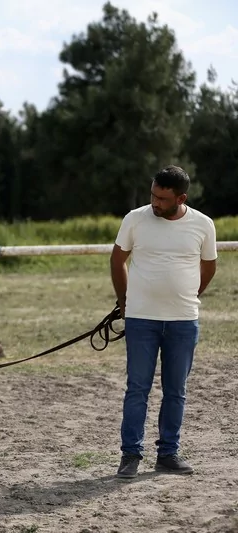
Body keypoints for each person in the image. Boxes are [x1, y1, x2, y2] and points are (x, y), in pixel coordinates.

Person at [109, 165, 218, 479]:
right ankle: (130, 455)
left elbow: (209, 266)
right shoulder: (135, 219)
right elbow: (117, 259)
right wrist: (124, 301)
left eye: (162, 198)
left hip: (183, 321)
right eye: (153, 195)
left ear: (180, 198)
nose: (154, 202)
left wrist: (188, 295)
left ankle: (168, 454)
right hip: (141, 319)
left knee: (176, 391)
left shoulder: (203, 224)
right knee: (137, 389)